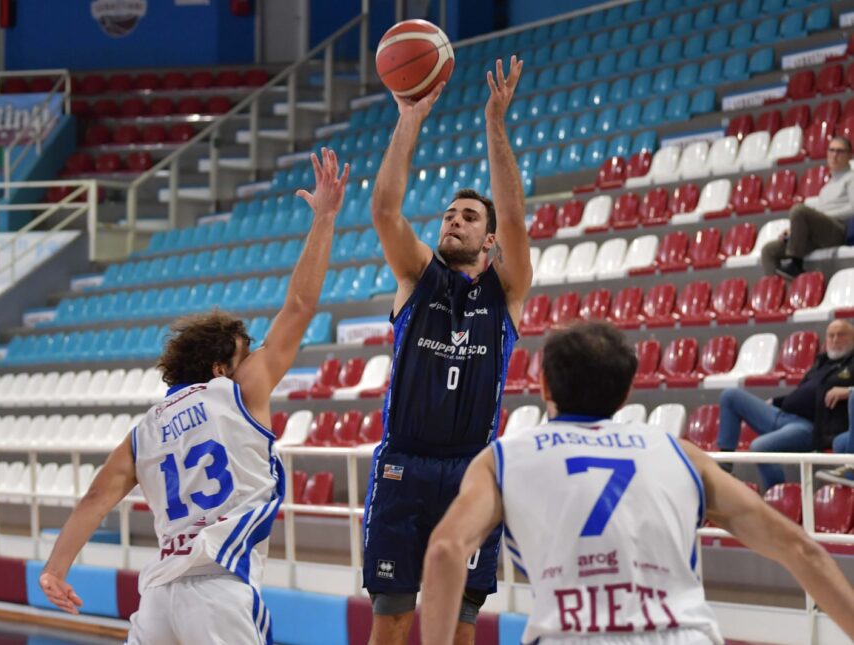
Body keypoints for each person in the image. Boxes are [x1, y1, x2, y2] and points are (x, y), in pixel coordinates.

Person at [37, 149, 349, 644]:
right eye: (246, 353)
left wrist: (56, 568)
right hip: (220, 586)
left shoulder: (145, 429)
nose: (255, 359)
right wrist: (325, 218)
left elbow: (96, 498)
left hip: (160, 596)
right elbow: (300, 305)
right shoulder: (237, 390)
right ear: (221, 367)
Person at [420, 321, 854, 645]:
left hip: (571, 634)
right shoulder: (680, 453)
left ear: (544, 385)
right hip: (683, 634)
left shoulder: (503, 457)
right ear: (626, 392)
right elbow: (800, 549)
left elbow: (444, 551)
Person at [362, 55, 533, 645]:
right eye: (449, 215)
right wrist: (408, 119)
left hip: (470, 471)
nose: (454, 222)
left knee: (460, 629)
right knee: (392, 620)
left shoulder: (506, 292)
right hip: (403, 465)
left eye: (469, 217)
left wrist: (495, 123)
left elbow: (516, 219)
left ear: (489, 240)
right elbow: (385, 211)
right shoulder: (416, 276)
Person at [716, 319, 854, 490]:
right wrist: (777, 401)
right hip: (783, 415)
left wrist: (848, 390)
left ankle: (778, 494)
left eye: (841, 335)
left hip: (808, 427)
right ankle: (725, 467)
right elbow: (802, 392)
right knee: (730, 395)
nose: (835, 340)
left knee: (759, 447)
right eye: (831, 335)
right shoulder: (822, 362)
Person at [761, 135, 854, 279]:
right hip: (819, 234)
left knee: (798, 210)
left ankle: (795, 263)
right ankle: (777, 290)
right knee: (769, 250)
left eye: (840, 151)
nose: (834, 155)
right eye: (831, 150)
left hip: (838, 230)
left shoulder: (851, 178)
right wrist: (794, 230)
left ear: (849, 156)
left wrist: (822, 217)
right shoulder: (826, 187)